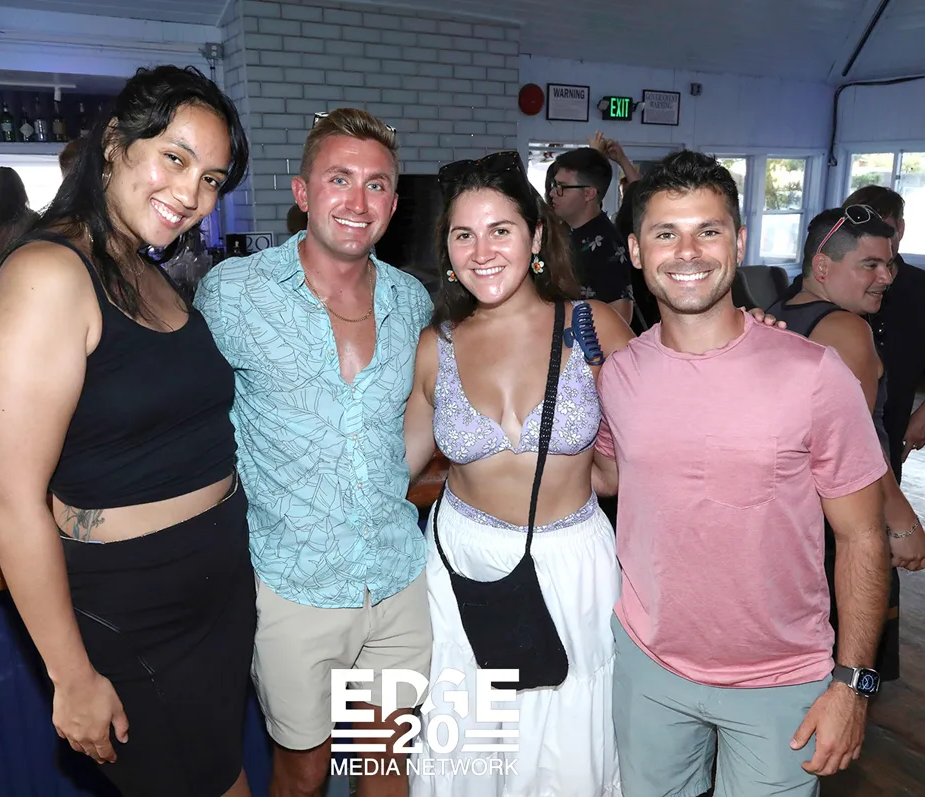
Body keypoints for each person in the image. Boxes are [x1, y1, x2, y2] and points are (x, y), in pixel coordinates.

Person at [0, 65, 253, 797]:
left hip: (216, 595)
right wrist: (71, 676)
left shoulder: (143, 268)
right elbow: (10, 500)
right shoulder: (48, 273)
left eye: (212, 179)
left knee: (225, 776)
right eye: (175, 159)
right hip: (137, 611)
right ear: (114, 145)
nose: (192, 195)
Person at [594, 151, 891, 796]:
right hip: (649, 668)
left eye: (709, 230)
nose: (687, 252)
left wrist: (853, 683)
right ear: (636, 251)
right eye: (665, 233)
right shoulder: (619, 375)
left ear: (739, 241)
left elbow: (864, 537)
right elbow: (609, 477)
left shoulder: (813, 373)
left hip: (780, 682)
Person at [193, 108, 432, 797]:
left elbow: (407, 424)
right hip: (292, 584)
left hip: (396, 574)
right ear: (302, 192)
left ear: (394, 202)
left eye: (377, 184)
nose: (359, 201)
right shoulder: (234, 293)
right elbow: (191, 420)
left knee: (386, 762)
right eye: (339, 179)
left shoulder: (411, 300)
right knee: (304, 771)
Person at [402, 149, 632, 796]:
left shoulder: (592, 325)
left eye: (499, 230)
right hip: (464, 565)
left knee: (566, 750)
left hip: (572, 566)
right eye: (463, 235)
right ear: (447, 249)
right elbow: (394, 468)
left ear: (534, 236)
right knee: (472, 743)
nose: (481, 252)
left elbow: (659, 439)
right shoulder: (436, 345)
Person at [766, 206, 925, 684]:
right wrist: (901, 523)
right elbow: (861, 447)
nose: (886, 277)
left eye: (889, 264)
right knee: (847, 655)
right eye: (870, 265)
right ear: (822, 266)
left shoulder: (776, 313)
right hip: (842, 521)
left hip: (795, 517)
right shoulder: (845, 329)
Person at [842, 186, 925, 481]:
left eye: (884, 230)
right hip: (834, 439)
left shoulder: (920, 288)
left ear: (900, 229)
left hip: (891, 435)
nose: (873, 240)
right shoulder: (829, 281)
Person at [548, 146, 635, 324]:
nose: (552, 193)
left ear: (588, 193)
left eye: (562, 187)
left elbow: (621, 316)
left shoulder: (606, 245)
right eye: (554, 185)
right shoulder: (563, 230)